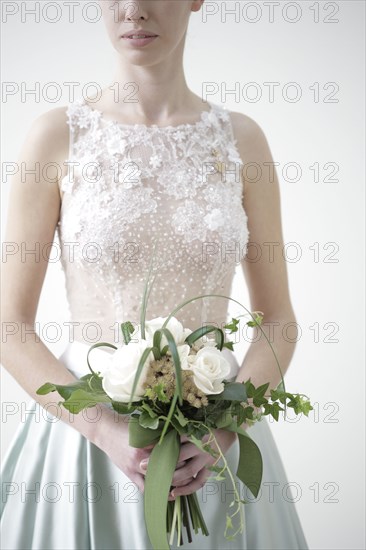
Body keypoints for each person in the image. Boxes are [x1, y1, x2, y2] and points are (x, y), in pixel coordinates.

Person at [0, 1, 309, 548]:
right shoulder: (55, 136)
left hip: (217, 437)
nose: (134, 10)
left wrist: (222, 429)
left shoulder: (242, 140)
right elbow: (9, 324)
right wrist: (103, 429)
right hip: (86, 440)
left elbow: (278, 319)